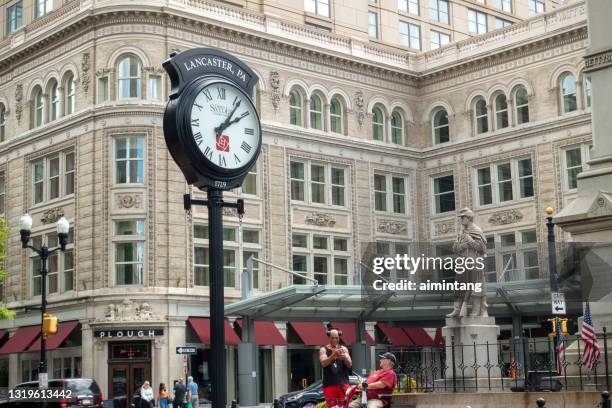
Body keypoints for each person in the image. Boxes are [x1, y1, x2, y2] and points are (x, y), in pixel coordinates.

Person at [319, 328, 352, 408]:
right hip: (329, 384)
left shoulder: (343, 349)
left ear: (339, 338)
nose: (334, 340)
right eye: (332, 338)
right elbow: (323, 363)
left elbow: (349, 364)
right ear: (329, 338)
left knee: (345, 405)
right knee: (331, 406)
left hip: (343, 384)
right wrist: (334, 355)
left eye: (336, 338)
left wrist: (344, 358)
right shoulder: (323, 349)